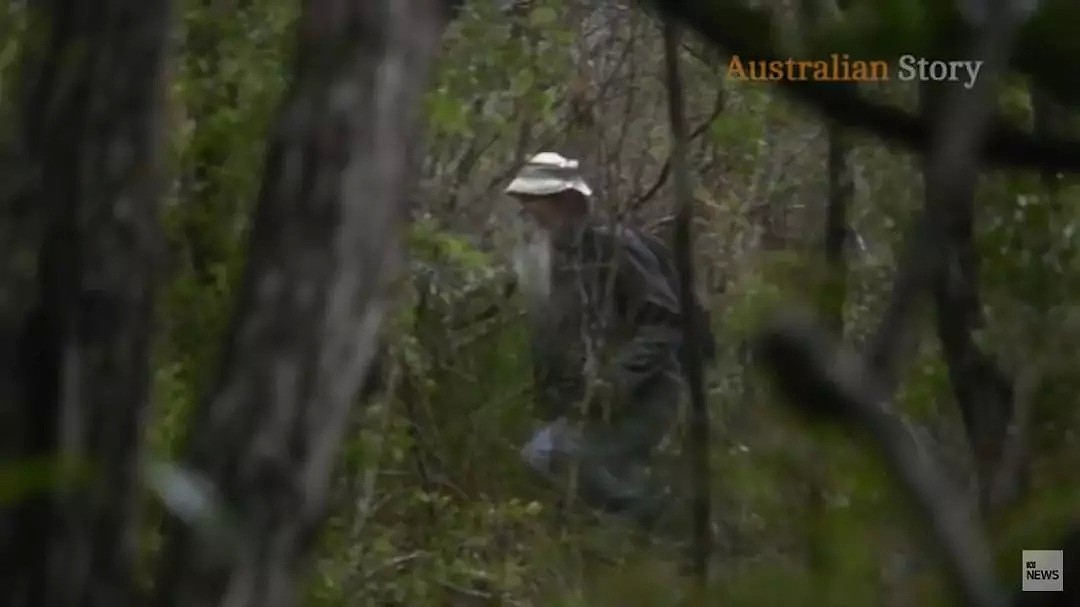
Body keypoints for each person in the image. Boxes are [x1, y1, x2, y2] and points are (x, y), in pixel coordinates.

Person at [506, 151, 709, 529]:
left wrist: (616, 381)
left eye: (533, 202)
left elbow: (664, 322)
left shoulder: (615, 247)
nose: (527, 212)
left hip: (649, 391)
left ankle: (676, 531)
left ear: (565, 201)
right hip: (600, 398)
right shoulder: (563, 256)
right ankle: (653, 538)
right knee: (558, 461)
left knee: (566, 459)